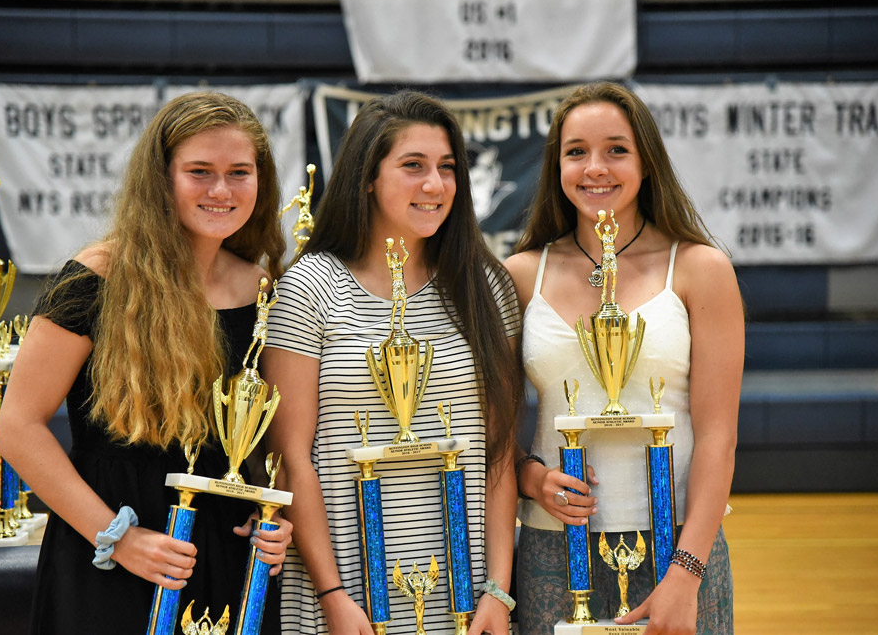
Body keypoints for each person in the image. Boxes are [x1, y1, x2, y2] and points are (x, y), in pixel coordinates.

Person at [0, 91, 293, 634]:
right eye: (199, 171)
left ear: (261, 180)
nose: (221, 190)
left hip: (226, 562)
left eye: (239, 172)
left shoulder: (266, 290)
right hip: (109, 556)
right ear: (161, 179)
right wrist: (118, 538)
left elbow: (266, 443)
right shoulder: (93, 280)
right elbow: (18, 429)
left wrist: (269, 517)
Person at [262, 90, 522, 635]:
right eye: (413, 166)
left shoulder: (485, 285)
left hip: (466, 596)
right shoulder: (311, 288)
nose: (435, 184)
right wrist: (332, 594)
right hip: (345, 596)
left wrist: (498, 589)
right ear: (366, 179)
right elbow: (291, 458)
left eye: (448, 167)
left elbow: (499, 454)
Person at [505, 82, 742, 635]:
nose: (596, 168)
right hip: (553, 546)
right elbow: (490, 425)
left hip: (681, 547)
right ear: (556, 166)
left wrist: (686, 572)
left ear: (646, 162)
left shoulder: (702, 269)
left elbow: (718, 438)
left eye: (616, 149)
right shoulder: (521, 274)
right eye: (576, 152)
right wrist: (532, 479)